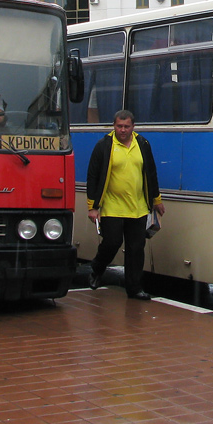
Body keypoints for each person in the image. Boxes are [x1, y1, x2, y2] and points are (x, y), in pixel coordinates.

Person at [86, 109, 165, 300]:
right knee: (112, 242)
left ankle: (134, 288)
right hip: (112, 206)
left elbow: (151, 173)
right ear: (114, 126)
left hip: (137, 207)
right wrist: (93, 207)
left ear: (133, 127)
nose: (122, 130)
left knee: (136, 249)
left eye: (126, 127)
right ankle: (97, 268)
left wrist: (156, 200)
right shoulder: (104, 145)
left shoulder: (143, 144)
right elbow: (93, 175)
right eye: (119, 126)